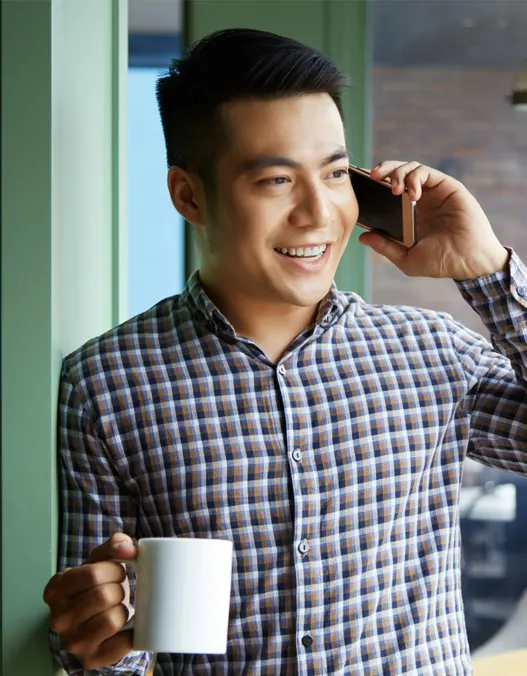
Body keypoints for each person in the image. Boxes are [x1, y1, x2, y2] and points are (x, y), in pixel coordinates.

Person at [43, 27, 527, 676]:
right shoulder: (105, 382)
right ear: (188, 195)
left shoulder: (432, 352)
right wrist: (94, 642)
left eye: (333, 174)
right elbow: (105, 653)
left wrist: (490, 270)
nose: (318, 213)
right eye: (274, 180)